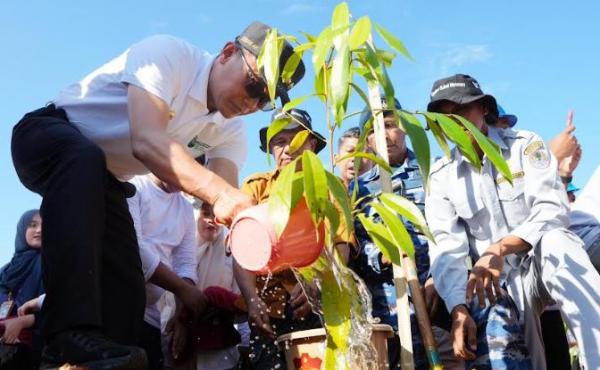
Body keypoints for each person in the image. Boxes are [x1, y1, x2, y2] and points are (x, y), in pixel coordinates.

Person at [11, 20, 304, 368]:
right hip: (47, 136)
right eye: (254, 85)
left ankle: (102, 354)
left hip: (102, 179)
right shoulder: (170, 55)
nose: (253, 103)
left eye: (266, 99)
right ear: (228, 52)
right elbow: (147, 141)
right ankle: (63, 337)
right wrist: (222, 194)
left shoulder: (231, 131)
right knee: (84, 159)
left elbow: (226, 201)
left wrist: (259, 233)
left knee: (127, 280)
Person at [425, 74, 600, 369]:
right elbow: (447, 247)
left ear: (483, 109)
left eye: (461, 111)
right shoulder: (442, 176)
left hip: (542, 264)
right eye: (444, 118)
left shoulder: (524, 145)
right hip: (499, 286)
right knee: (523, 354)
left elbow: (552, 210)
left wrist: (500, 248)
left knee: (558, 241)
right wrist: (457, 307)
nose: (455, 123)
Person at [235, 108, 354, 369]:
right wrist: (252, 301)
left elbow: (341, 245)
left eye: (296, 140)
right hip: (267, 311)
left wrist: (318, 281)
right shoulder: (256, 187)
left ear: (311, 144)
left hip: (316, 308)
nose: (288, 148)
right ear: (271, 149)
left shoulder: (331, 187)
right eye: (279, 141)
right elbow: (241, 250)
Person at [348, 97, 460, 370]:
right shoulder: (357, 191)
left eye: (389, 125)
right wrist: (382, 254)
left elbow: (454, 230)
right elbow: (357, 246)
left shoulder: (434, 172)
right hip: (390, 307)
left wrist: (438, 276)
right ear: (367, 142)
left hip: (442, 299)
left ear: (405, 129)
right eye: (374, 129)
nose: (384, 135)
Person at [127, 174, 200, 370]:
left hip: (151, 315)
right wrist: (183, 290)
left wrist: (181, 315)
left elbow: (185, 263)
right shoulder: (133, 187)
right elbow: (135, 249)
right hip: (117, 309)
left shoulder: (185, 207)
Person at [0, 210, 44, 369]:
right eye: (33, 225)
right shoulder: (5, 272)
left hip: (36, 353)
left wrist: (23, 322)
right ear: (22, 229)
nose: (39, 230)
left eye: (45, 226)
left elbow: (64, 310)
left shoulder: (54, 267)